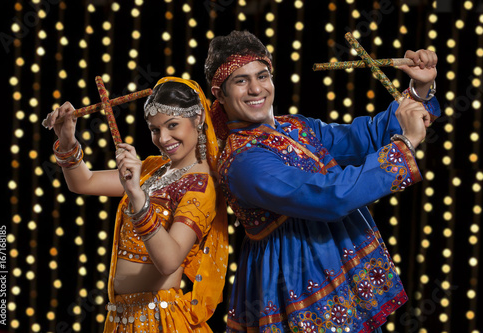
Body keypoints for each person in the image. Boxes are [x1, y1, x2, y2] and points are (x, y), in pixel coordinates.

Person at [204, 30, 440, 332]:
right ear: (219, 93)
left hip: (336, 268)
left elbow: (363, 137)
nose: (255, 89)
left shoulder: (294, 126)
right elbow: (329, 197)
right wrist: (404, 144)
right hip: (297, 279)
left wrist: (419, 91)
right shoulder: (242, 162)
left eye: (262, 76)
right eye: (241, 81)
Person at [44, 77, 228, 332]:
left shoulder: (200, 185)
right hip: (124, 317)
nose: (164, 138)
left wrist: (138, 198)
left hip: (158, 321)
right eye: (155, 129)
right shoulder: (152, 169)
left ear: (197, 118)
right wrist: (66, 141)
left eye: (172, 125)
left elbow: (169, 260)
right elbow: (83, 182)